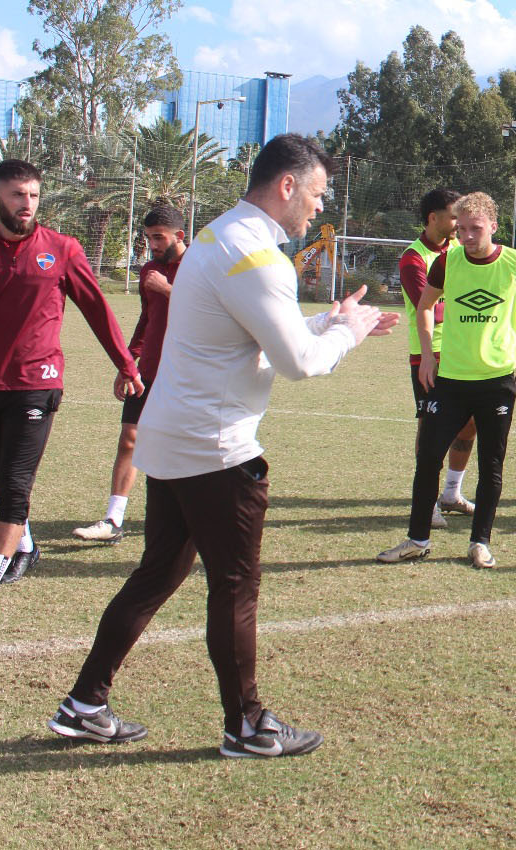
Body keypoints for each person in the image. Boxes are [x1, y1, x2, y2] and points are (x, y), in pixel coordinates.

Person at [48, 134, 395, 757]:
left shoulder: (218, 235)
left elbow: (246, 330)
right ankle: (247, 725)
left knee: (158, 574)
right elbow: (298, 363)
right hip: (215, 449)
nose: (319, 208)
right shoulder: (260, 257)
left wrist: (329, 319)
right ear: (287, 186)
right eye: (317, 194)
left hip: (174, 436)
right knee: (234, 586)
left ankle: (84, 704)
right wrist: (348, 332)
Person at [0, 159, 142, 624]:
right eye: (18, 194)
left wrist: (125, 362)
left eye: (34, 195)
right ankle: (24, 544)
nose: (27, 204)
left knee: (15, 486)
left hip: (38, 384)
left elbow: (97, 309)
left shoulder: (61, 249)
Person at [378, 191, 516, 568]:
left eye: (475, 229)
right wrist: (427, 355)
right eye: (461, 229)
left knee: (491, 464)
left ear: (493, 226)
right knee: (428, 457)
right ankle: (417, 539)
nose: (466, 237)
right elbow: (425, 307)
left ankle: (479, 542)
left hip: (497, 380)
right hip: (451, 379)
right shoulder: (446, 262)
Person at [75, 204, 186, 543]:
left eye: (159, 237)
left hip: (185, 373)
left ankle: (192, 518)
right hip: (148, 369)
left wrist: (167, 288)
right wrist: (129, 362)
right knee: (129, 439)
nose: (152, 244)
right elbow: (147, 318)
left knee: (182, 447)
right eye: (149, 237)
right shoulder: (149, 269)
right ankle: (113, 519)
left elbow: (212, 310)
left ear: (179, 236)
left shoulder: (198, 266)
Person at [397, 187, 478, 530]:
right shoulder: (413, 258)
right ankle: (427, 501)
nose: (459, 222)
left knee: (470, 424)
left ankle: (451, 493)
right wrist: (474, 306)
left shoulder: (459, 250)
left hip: (464, 354)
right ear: (434, 218)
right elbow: (428, 309)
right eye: (454, 216)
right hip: (429, 355)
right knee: (431, 431)